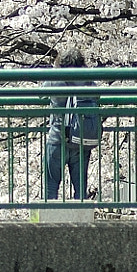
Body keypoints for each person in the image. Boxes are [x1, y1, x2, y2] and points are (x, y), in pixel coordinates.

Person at [42, 47, 99, 206]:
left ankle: (48, 225)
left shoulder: (55, 77)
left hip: (57, 138)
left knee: (51, 187)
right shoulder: (88, 80)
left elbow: (40, 93)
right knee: (80, 189)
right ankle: (82, 225)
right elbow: (97, 95)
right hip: (80, 139)